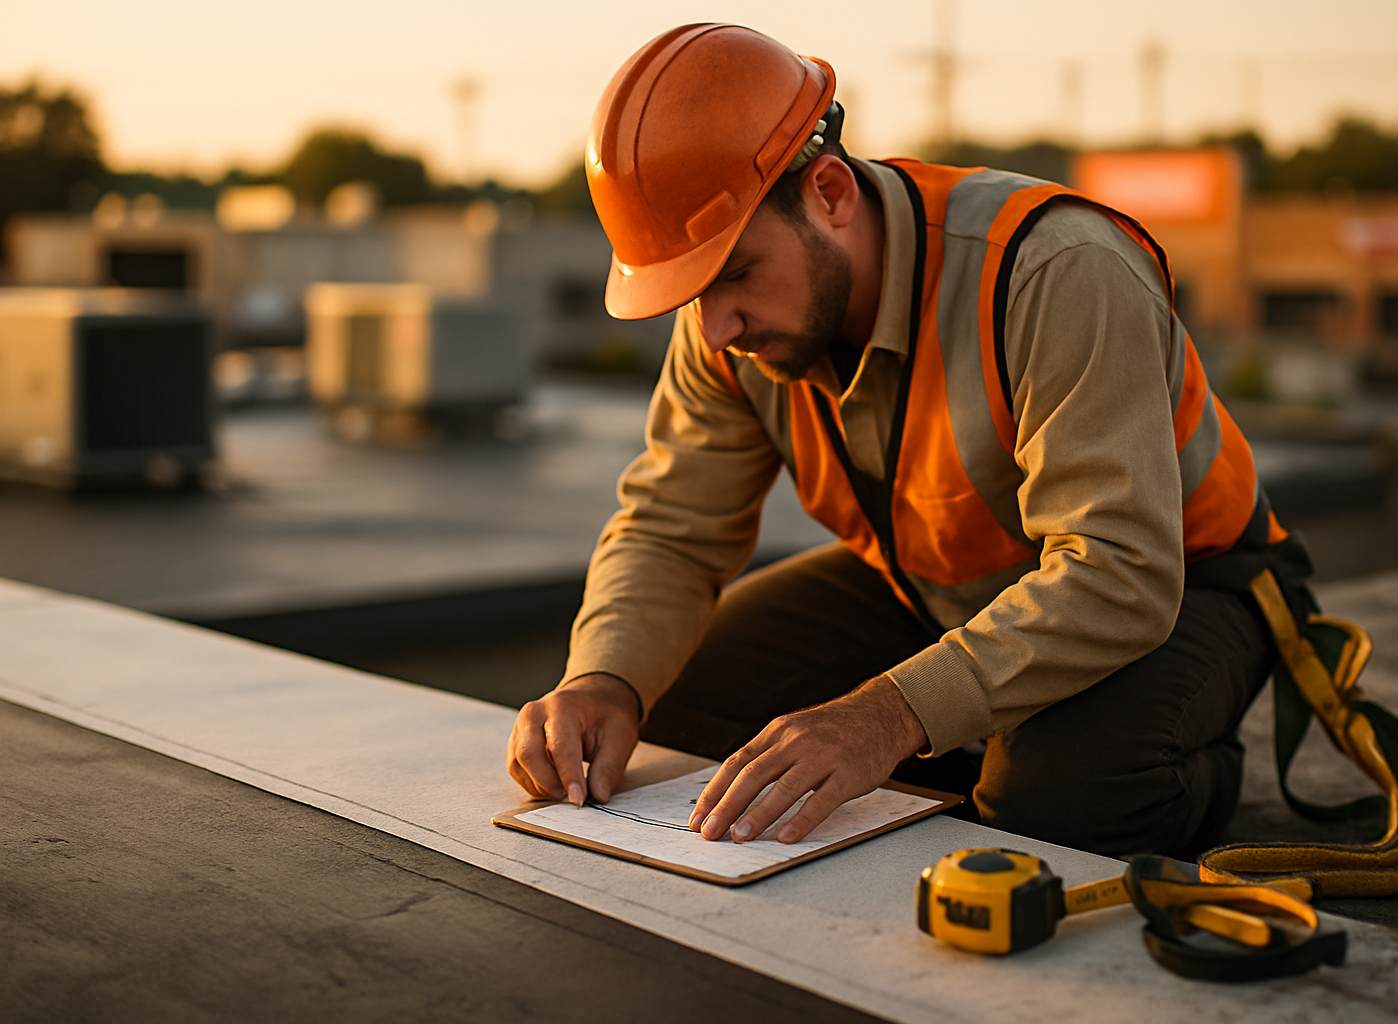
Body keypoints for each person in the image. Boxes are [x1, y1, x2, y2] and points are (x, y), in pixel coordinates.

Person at [507, 23, 1301, 859]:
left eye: (735, 274)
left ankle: (1166, 762)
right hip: (939, 585)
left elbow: (1121, 573)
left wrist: (886, 718)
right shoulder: (727, 329)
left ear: (830, 193)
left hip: (1181, 585)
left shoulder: (1054, 271)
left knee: (1056, 806)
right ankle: (967, 756)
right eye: (689, 293)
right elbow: (672, 528)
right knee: (673, 706)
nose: (715, 328)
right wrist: (603, 679)